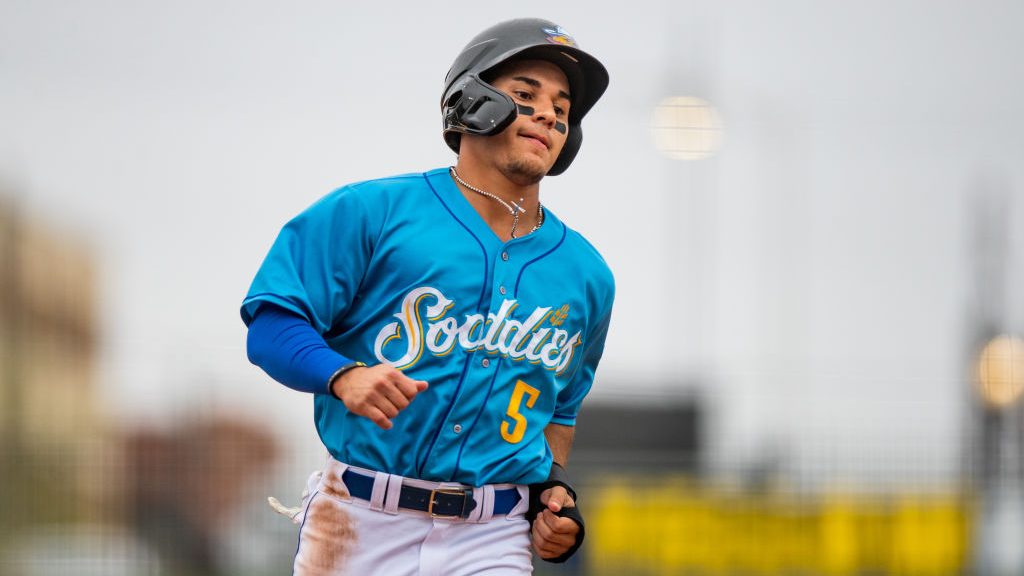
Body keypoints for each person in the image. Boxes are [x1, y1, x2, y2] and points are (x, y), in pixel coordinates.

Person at [242, 17, 613, 575]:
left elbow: (560, 408)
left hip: (492, 536)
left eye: (562, 108)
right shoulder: (371, 212)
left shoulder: (586, 274)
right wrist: (342, 375)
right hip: (360, 521)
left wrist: (552, 492)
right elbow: (272, 322)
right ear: (470, 100)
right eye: (525, 94)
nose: (548, 114)